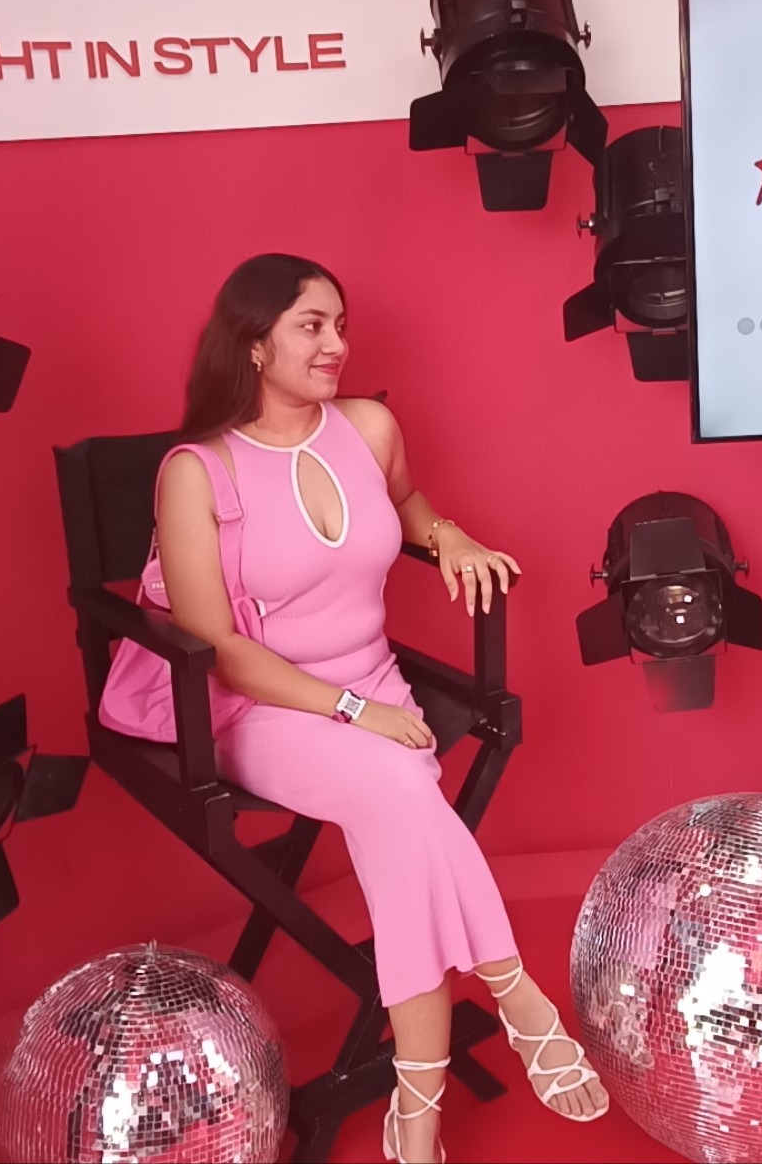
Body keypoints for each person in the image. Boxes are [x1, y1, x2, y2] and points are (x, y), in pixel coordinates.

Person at [150, 253, 608, 1163]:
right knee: (403, 788)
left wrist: (450, 536)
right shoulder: (197, 472)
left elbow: (405, 503)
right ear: (253, 344)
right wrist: (352, 709)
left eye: (340, 325)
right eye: (311, 326)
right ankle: (516, 994)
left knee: (401, 830)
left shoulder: (367, 426)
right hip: (264, 708)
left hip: (374, 683)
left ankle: (416, 1107)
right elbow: (219, 650)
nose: (337, 345)